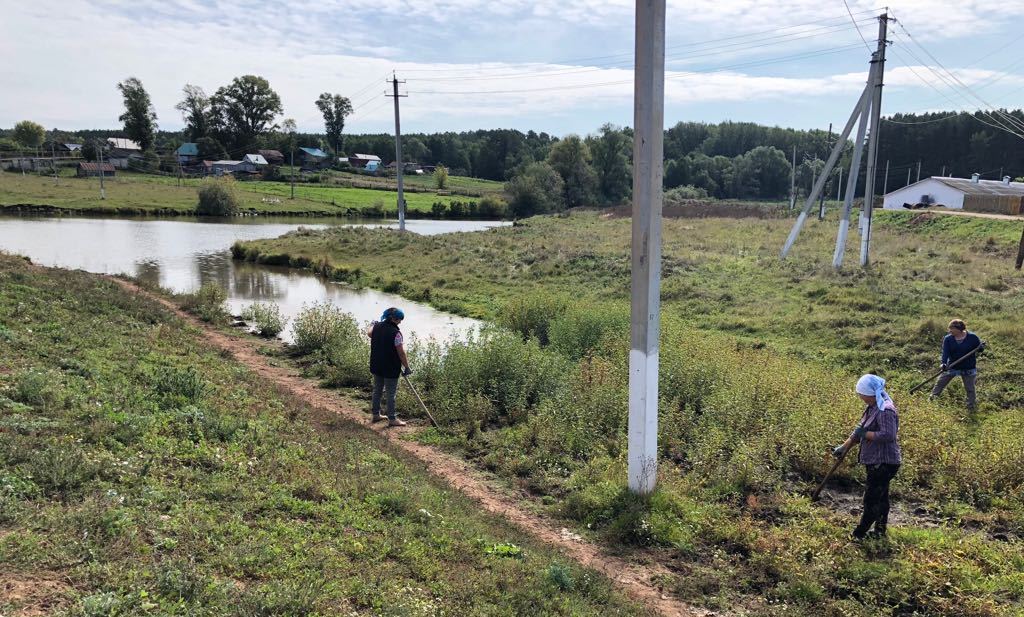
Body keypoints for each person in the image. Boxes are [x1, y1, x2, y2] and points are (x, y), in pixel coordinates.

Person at [832, 374, 902, 540]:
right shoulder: (873, 406)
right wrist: (844, 446)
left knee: (871, 499)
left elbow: (888, 435)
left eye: (861, 394)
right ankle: (879, 532)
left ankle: (859, 534)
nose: (860, 397)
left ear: (869, 393)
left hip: (884, 462)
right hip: (875, 460)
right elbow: (859, 430)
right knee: (881, 497)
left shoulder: (885, 409)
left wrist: (866, 434)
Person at [366, 307, 412, 427]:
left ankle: (376, 415)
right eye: (398, 319)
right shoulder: (396, 334)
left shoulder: (376, 327)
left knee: (377, 390)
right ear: (392, 318)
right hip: (390, 368)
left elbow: (369, 333)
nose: (400, 321)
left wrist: (372, 324)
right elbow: (401, 353)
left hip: (377, 365)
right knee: (391, 394)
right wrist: (407, 367)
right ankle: (392, 419)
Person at [929, 319, 983, 411]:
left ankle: (971, 407)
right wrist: (943, 364)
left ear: (959, 329)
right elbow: (945, 353)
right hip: (952, 366)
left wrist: (980, 348)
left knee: (970, 389)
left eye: (952, 329)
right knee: (940, 384)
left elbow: (980, 349)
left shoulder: (972, 337)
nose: (950, 331)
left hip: (968, 367)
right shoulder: (948, 339)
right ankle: (931, 401)